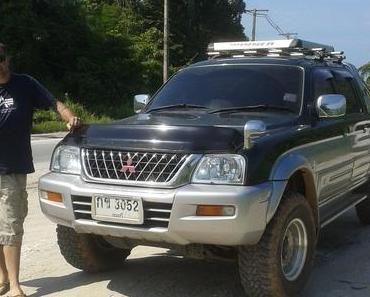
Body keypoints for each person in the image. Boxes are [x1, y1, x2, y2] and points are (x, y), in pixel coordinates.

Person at [0, 43, 81, 297]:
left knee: (11, 226)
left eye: (0, 58)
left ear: (7, 59)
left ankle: (14, 285)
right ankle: (2, 279)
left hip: (11, 168)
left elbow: (53, 102)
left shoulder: (24, 84)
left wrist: (69, 116)